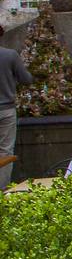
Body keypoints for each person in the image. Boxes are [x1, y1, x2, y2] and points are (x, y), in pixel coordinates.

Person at [0, 38, 34, 187]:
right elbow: (26, 79)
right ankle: (2, 190)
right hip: (6, 109)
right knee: (5, 151)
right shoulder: (10, 55)